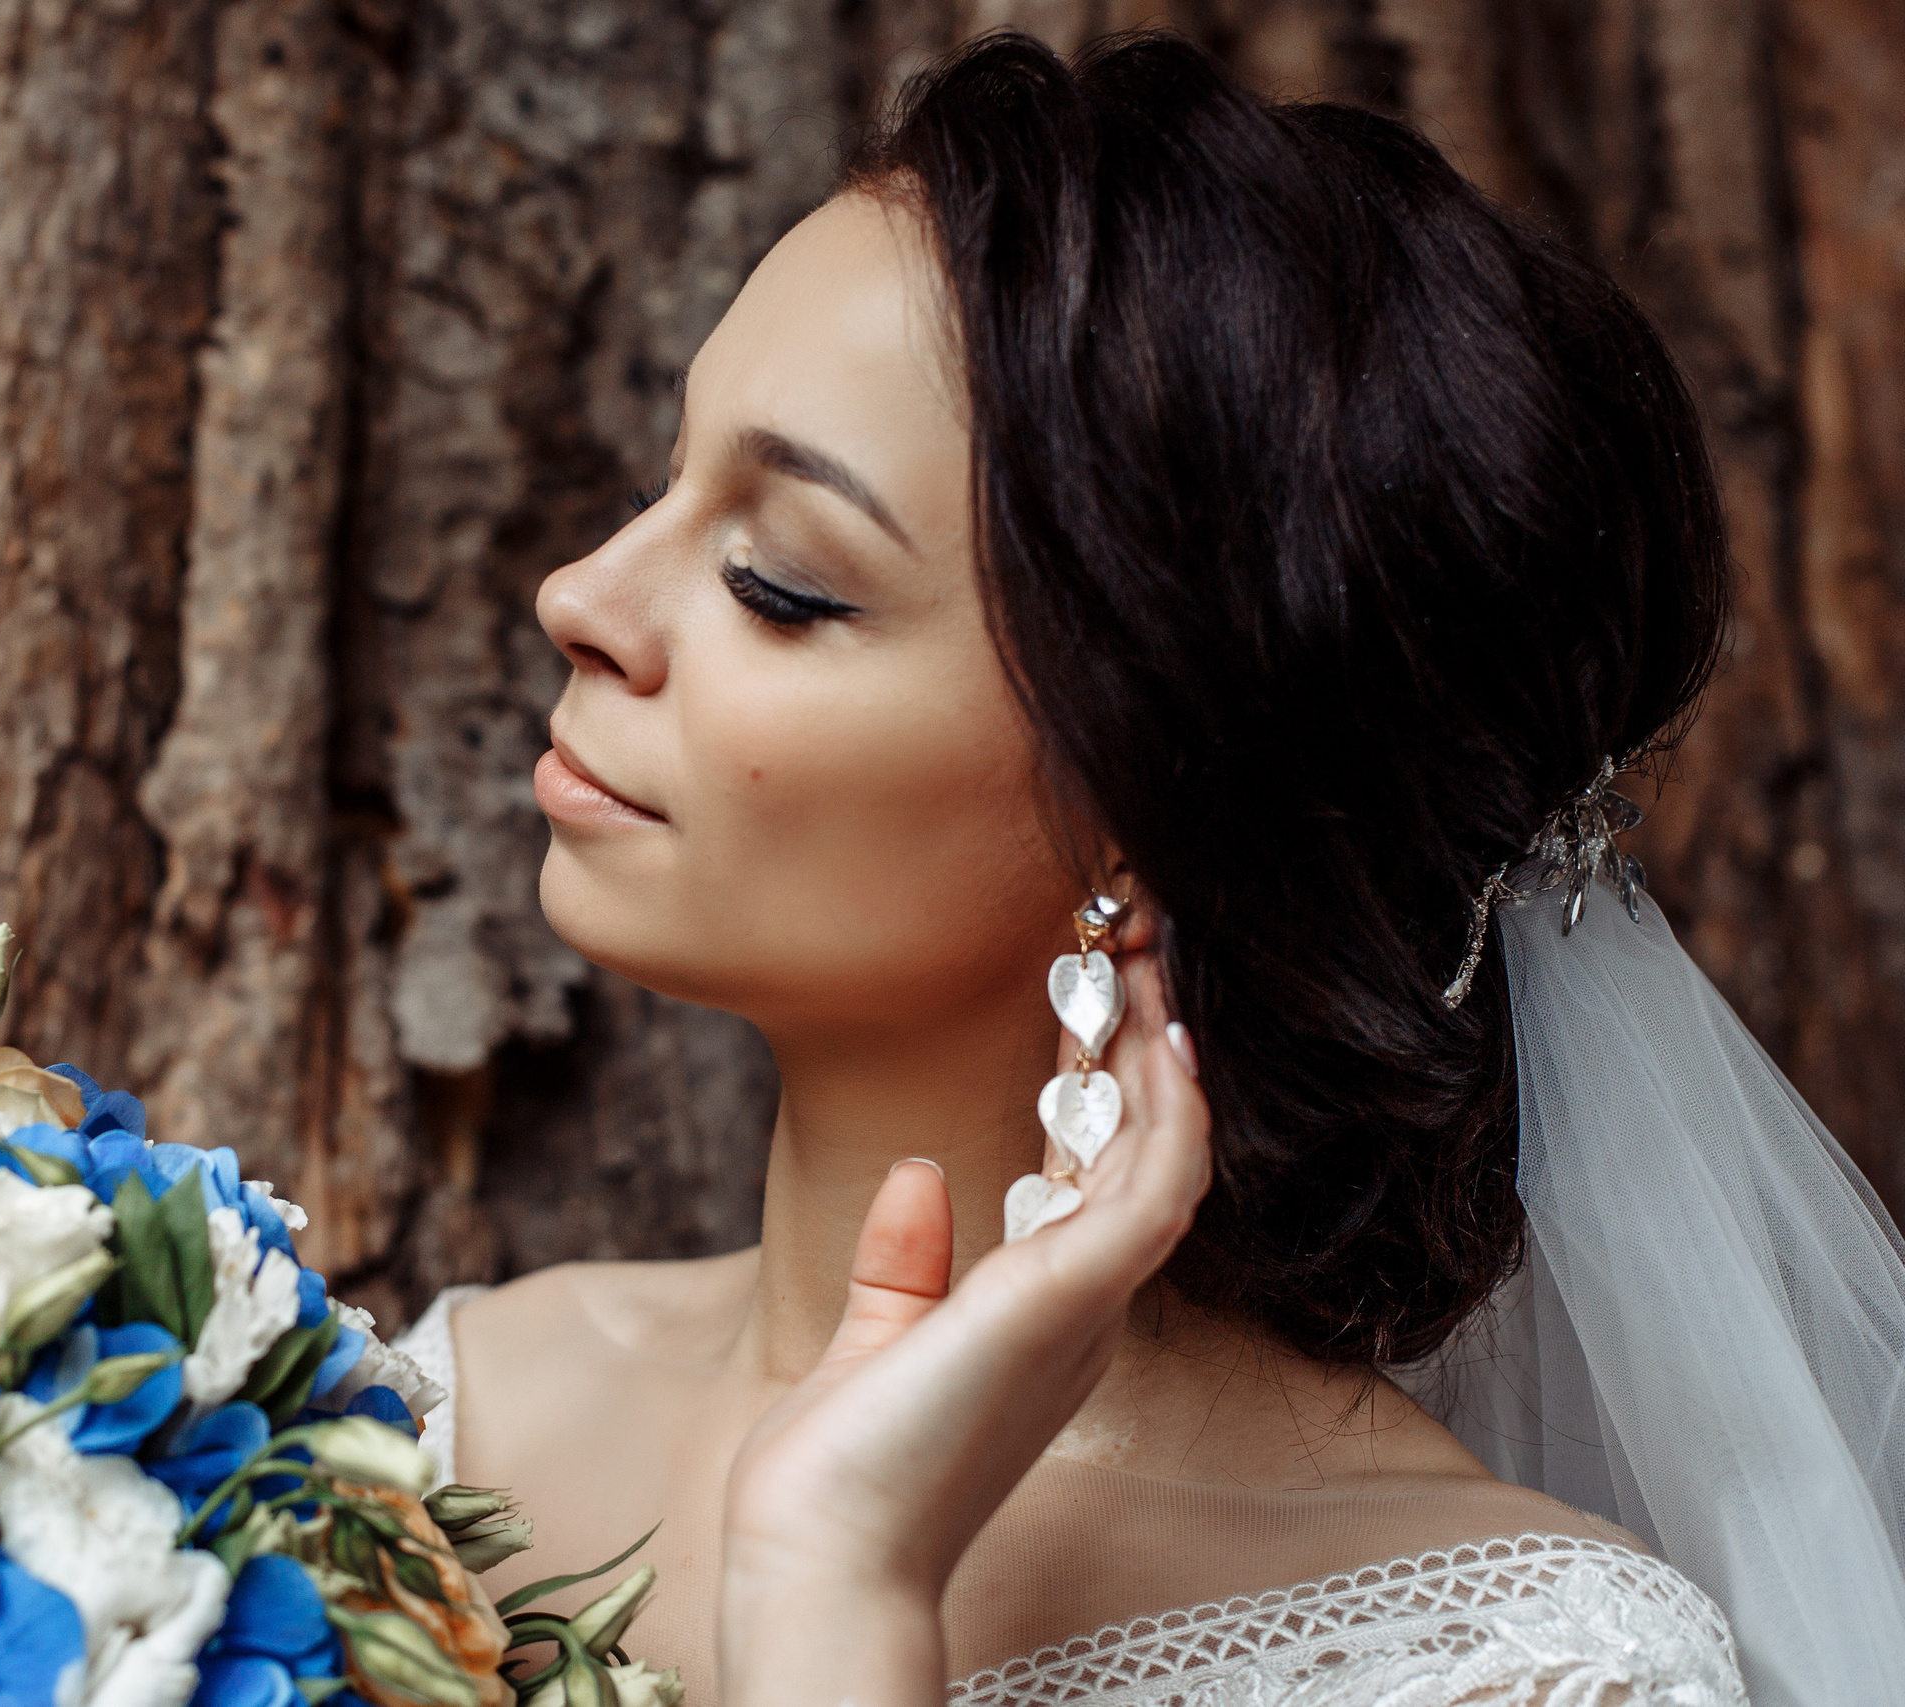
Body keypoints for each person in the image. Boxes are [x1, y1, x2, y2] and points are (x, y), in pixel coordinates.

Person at [394, 30, 1905, 1707]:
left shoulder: (1514, 1671)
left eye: (780, 580)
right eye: (654, 485)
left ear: (1151, 802)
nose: (579, 596)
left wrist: (837, 1581)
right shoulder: (423, 1424)